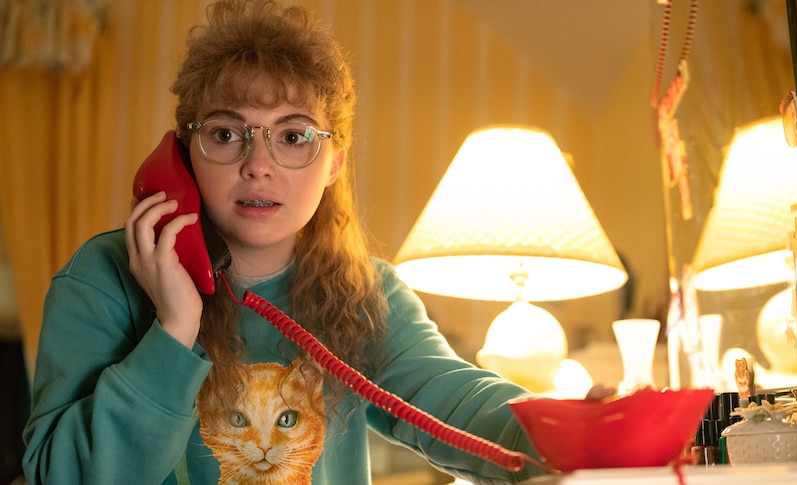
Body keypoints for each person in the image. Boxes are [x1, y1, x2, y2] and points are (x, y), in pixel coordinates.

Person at [23, 1, 612, 484]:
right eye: (227, 133)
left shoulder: (369, 291)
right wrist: (175, 326)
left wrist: (572, 431)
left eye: (294, 135)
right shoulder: (101, 279)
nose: (259, 165)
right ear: (182, 153)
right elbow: (64, 476)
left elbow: (457, 401)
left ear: (334, 162)